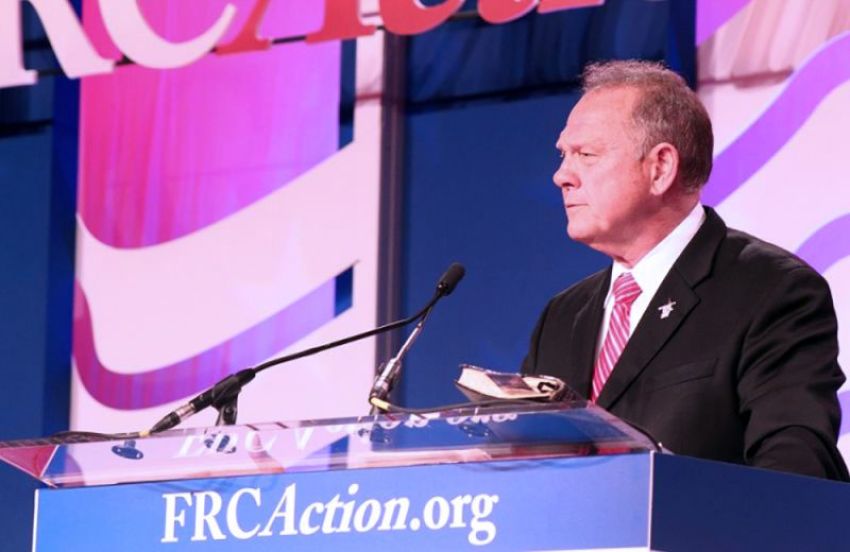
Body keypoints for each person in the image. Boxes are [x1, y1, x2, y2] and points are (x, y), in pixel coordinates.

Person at [521, 59, 849, 481]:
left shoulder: (774, 291)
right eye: (564, 155)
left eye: (586, 155)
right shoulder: (562, 316)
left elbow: (794, 467)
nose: (561, 176)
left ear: (660, 168)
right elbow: (525, 463)